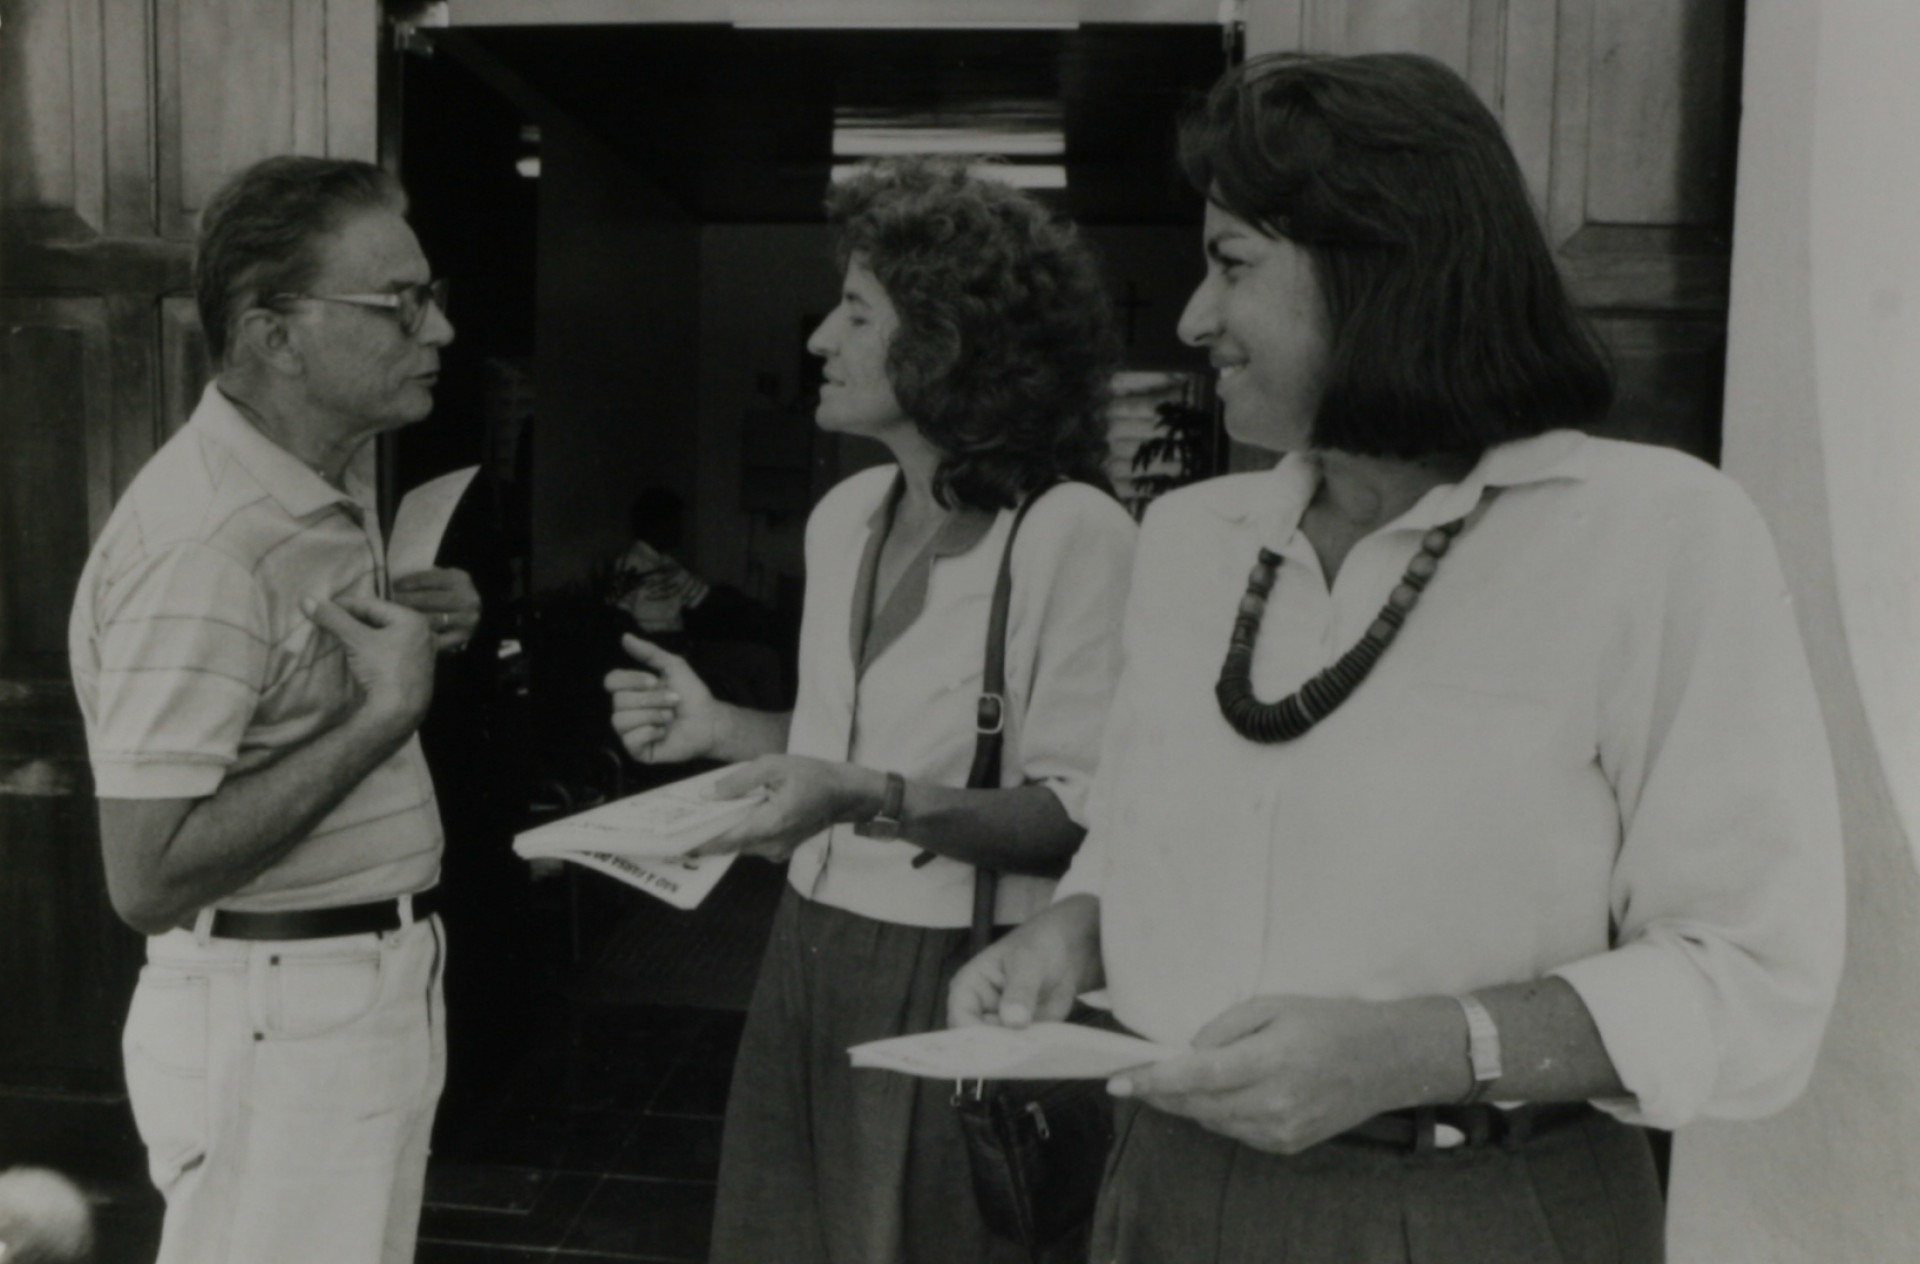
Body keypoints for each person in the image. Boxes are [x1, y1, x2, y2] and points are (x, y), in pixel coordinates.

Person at [950, 53, 1844, 1263]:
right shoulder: (1190, 541)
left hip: (1477, 1206)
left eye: (1232, 265)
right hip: (1162, 1189)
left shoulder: (1657, 535)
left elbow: (1754, 975)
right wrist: (1077, 930)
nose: (1189, 321)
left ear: (1380, 266)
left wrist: (1426, 1047)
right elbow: (1149, 825)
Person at [604, 157, 1136, 1264]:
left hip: (962, 961)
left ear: (947, 340)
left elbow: (1081, 816)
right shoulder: (844, 513)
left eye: (855, 313)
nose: (817, 342)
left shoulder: (1073, 532)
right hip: (805, 945)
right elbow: (834, 752)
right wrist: (722, 730)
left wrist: (869, 796)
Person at [67, 155, 477, 1264]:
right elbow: (145, 877)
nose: (437, 329)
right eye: (401, 303)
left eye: (429, 296)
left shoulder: (316, 485)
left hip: (333, 997)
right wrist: (381, 714)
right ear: (274, 334)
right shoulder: (206, 543)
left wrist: (407, 631)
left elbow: (279, 700)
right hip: (279, 1012)